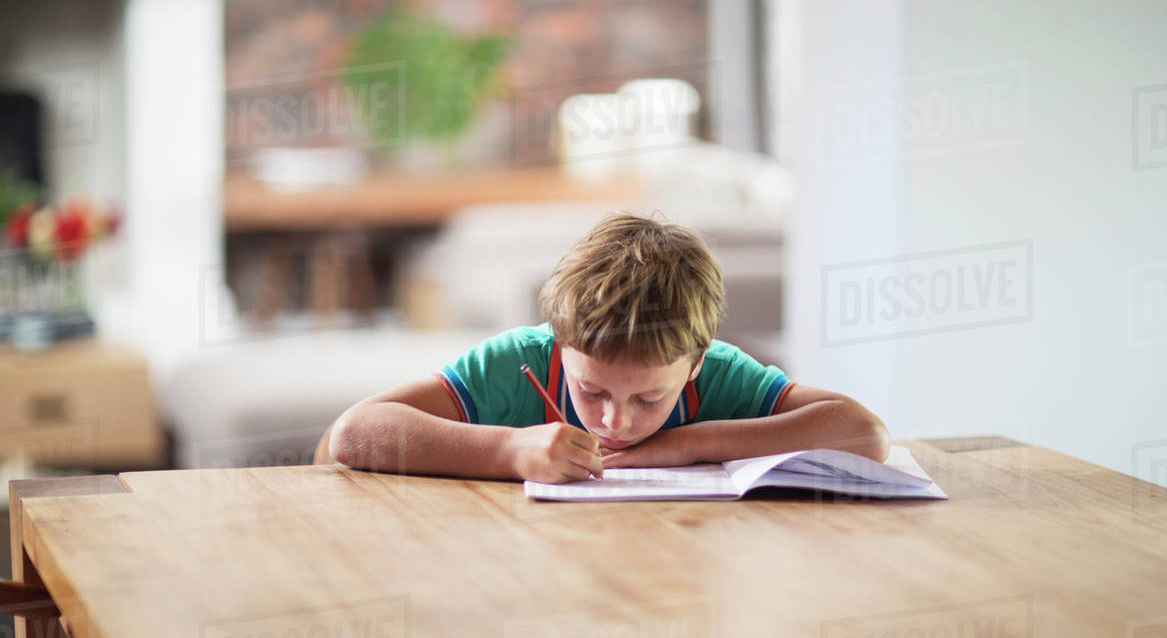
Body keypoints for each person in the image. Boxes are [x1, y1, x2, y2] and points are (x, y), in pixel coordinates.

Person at [320, 213, 889, 483]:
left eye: (648, 400)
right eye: (589, 390)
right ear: (562, 346)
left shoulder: (719, 375)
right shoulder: (515, 363)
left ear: (695, 364)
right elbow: (350, 435)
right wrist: (509, 450)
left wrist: (689, 443)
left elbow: (862, 433)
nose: (615, 419)